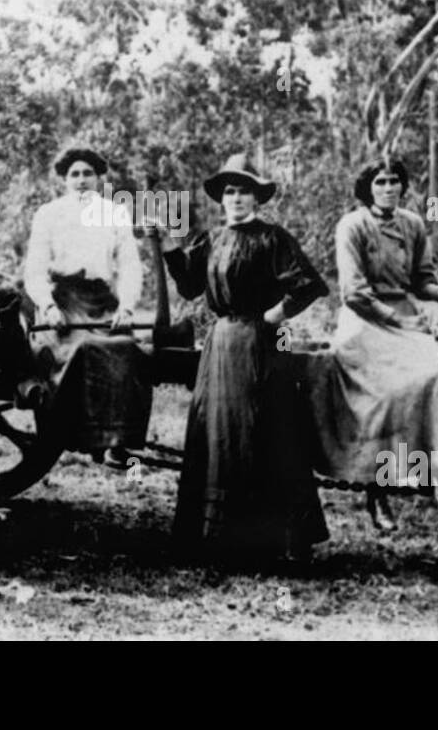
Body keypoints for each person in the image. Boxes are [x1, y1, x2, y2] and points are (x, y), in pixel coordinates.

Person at [157, 153, 329, 564]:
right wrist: (166, 244)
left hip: (264, 347)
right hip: (220, 345)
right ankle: (218, 540)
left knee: (266, 431)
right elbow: (190, 289)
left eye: (244, 190)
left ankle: (272, 539)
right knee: (218, 434)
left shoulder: (273, 238)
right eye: (230, 191)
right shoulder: (211, 239)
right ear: (222, 198)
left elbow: (307, 286)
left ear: (257, 197)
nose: (236, 198)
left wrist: (270, 317)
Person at [308, 158, 438, 531]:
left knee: (436, 373)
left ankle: (437, 474)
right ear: (368, 188)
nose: (389, 188)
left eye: (395, 181)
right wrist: (397, 319)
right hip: (365, 320)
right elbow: (354, 293)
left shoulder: (412, 224)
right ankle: (375, 491)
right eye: (380, 182)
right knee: (380, 395)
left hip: (406, 317)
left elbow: (422, 280)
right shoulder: (352, 225)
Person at [23, 147, 151, 465]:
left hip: (102, 302)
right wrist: (48, 307)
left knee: (126, 348)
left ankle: (116, 441)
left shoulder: (115, 213)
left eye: (87, 174)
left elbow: (130, 266)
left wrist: (127, 308)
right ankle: (72, 433)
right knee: (83, 349)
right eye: (75, 175)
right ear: (65, 180)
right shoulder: (49, 214)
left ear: (98, 178)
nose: (81, 181)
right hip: (64, 303)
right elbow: (35, 270)